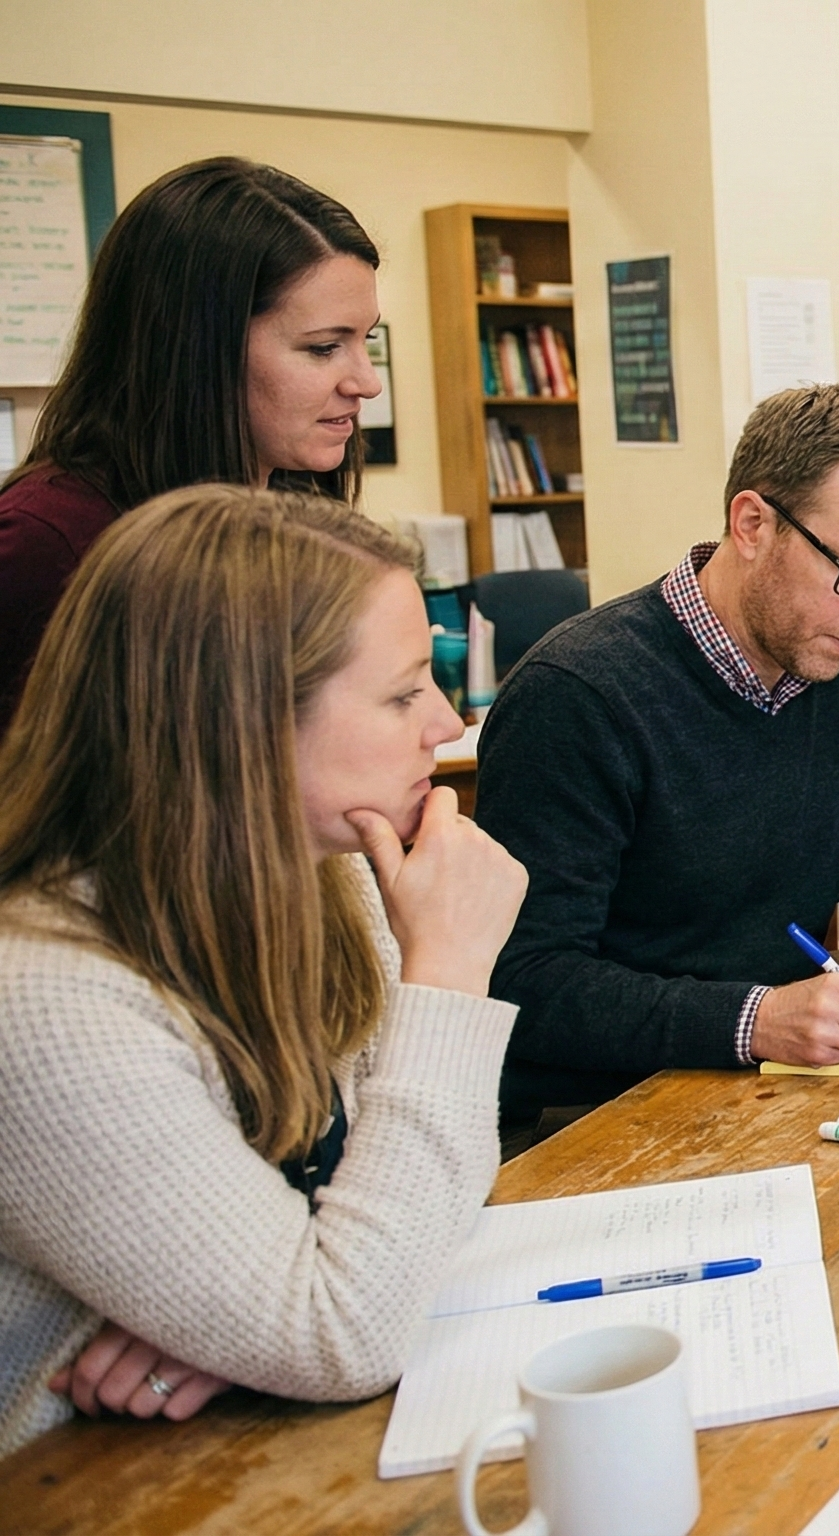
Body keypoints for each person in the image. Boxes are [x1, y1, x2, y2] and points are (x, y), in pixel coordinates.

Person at [0, 486, 525, 1456]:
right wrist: (447, 974)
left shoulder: (330, 878)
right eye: (405, 691)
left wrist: (255, 1314)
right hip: (84, 1480)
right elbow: (348, 1327)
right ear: (239, 722)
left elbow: (431, 1198)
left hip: (254, 1437)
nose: (446, 725)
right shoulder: (41, 1001)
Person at [477, 385, 839, 1144]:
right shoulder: (577, 695)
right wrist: (754, 1018)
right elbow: (525, 984)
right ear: (753, 524)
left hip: (774, 1090)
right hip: (599, 1121)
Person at [0, 157, 381, 731]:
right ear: (198, 350)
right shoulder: (49, 543)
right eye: (324, 348)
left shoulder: (294, 517)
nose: (366, 382)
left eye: (366, 340)